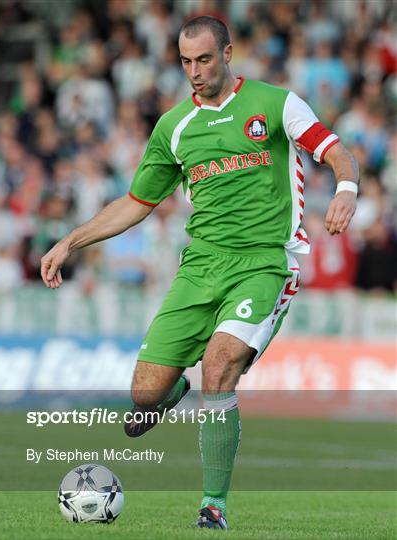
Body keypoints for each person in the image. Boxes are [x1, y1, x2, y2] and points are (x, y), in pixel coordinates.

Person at [40, 16, 358, 530]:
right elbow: (136, 202)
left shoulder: (275, 103)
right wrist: (70, 241)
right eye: (186, 61)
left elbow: (336, 152)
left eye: (204, 59)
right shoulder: (174, 127)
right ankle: (170, 394)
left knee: (219, 366)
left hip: (264, 262)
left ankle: (213, 505)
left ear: (227, 53)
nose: (195, 71)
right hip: (200, 267)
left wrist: (346, 190)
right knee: (145, 394)